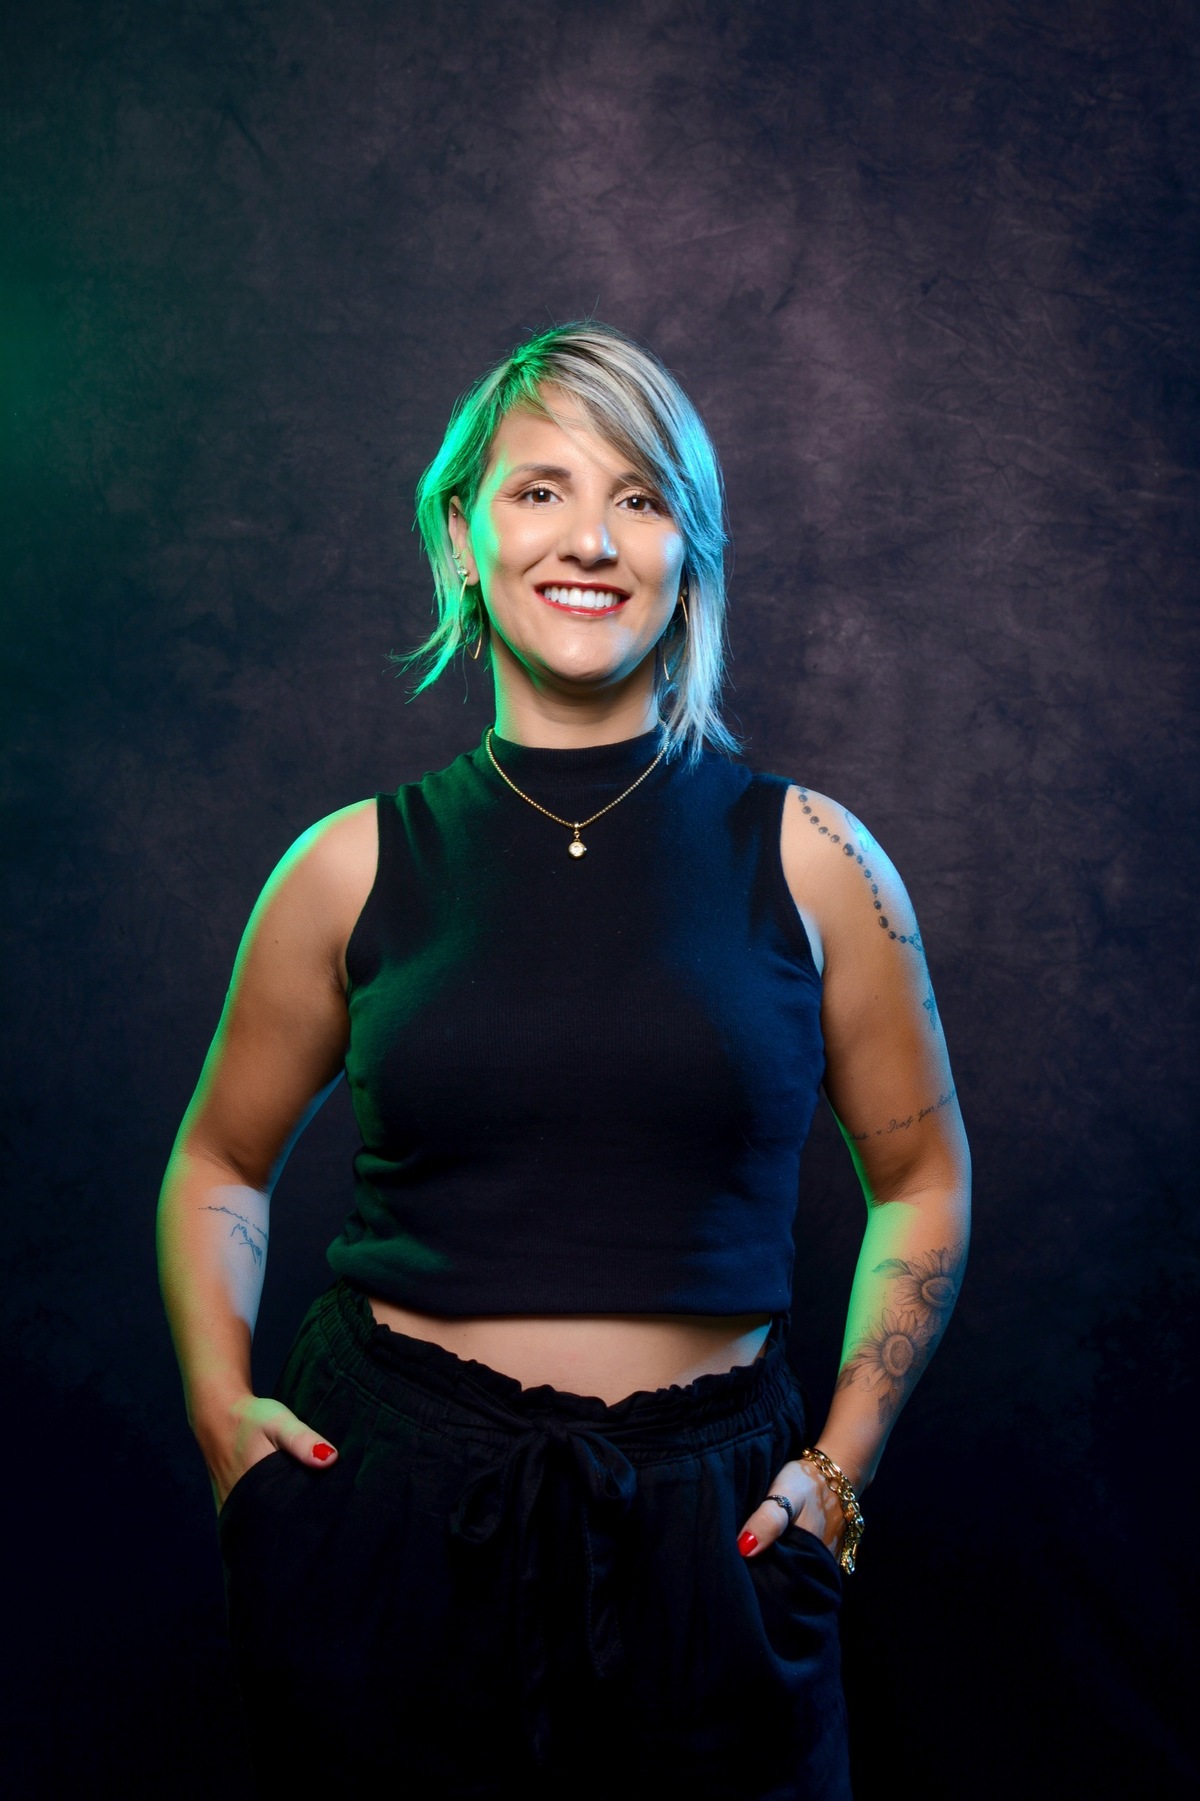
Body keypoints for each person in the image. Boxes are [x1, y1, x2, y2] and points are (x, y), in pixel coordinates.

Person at [157, 321, 970, 1800]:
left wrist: (840, 1468)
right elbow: (219, 1158)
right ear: (460, 539)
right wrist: (222, 1406)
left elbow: (921, 1183)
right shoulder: (345, 866)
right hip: (390, 1513)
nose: (589, 539)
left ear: (688, 555)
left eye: (639, 498)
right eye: (539, 490)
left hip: (713, 1535)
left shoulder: (819, 858)